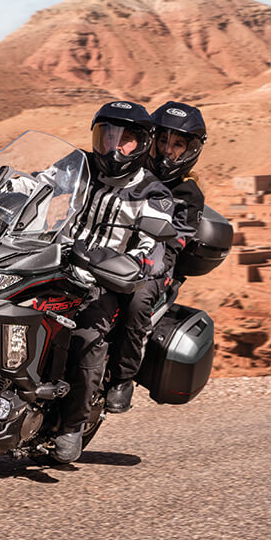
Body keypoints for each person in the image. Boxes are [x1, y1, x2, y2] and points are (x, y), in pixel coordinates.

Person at [53, 100, 179, 462]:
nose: (113, 147)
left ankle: (71, 425)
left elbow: (151, 248)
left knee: (87, 337)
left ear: (141, 144)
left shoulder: (154, 193)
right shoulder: (80, 165)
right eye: (107, 136)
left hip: (104, 280)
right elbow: (36, 181)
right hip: (56, 261)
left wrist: (127, 264)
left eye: (124, 139)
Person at [104, 100, 207, 414]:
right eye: (163, 140)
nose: (167, 150)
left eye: (177, 145)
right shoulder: (130, 172)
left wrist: (145, 265)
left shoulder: (188, 193)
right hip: (108, 249)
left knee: (137, 301)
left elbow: (175, 242)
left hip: (154, 266)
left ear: (189, 150)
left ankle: (122, 378)